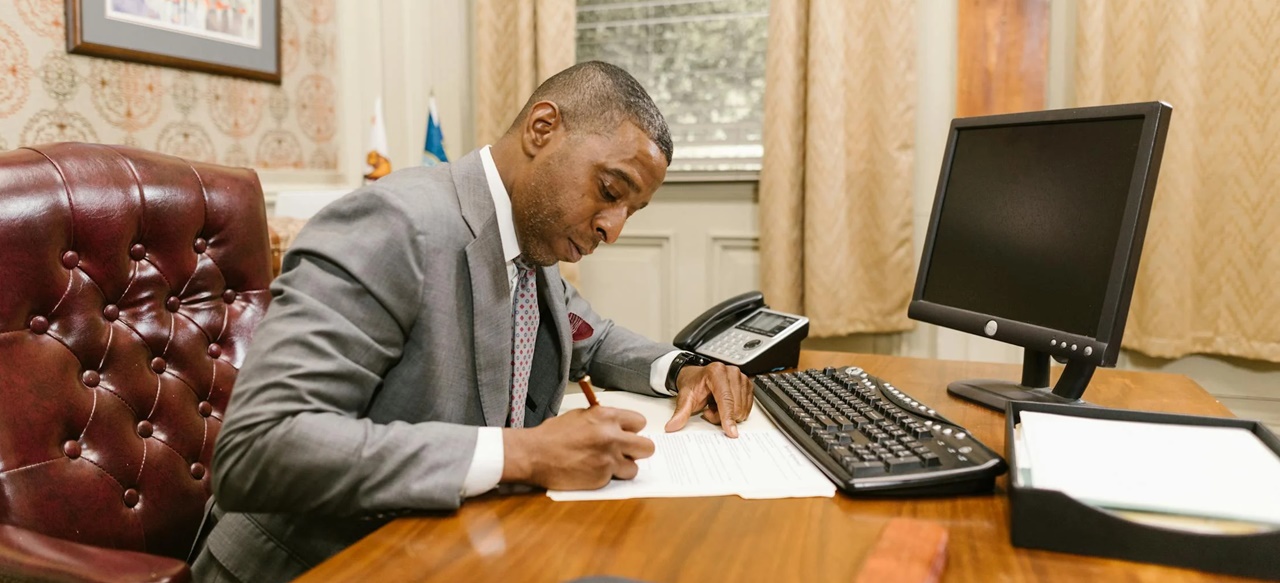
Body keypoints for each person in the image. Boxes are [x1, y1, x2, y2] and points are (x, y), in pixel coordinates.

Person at [192, 61, 754, 582]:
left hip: (449, 544)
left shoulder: (531, 249)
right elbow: (257, 448)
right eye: (610, 191)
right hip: (319, 563)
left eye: (630, 211)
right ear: (542, 128)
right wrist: (527, 454)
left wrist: (682, 368)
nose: (613, 228)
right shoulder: (396, 224)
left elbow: (594, 338)